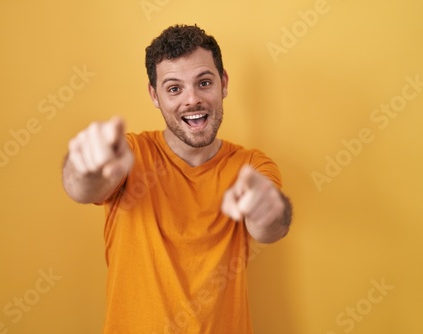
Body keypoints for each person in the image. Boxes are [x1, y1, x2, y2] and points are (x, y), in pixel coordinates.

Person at [62, 24, 292, 334]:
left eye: (204, 82)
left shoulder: (250, 166)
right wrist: (85, 167)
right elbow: (80, 187)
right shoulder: (130, 154)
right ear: (154, 95)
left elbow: (269, 228)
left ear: (223, 84)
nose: (192, 99)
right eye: (174, 88)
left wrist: (268, 209)